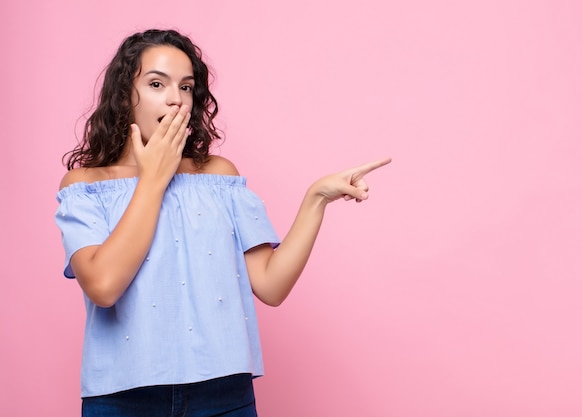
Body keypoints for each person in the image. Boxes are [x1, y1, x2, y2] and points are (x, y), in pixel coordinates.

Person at [55, 28, 390, 417]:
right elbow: (104, 286)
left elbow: (271, 285)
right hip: (122, 399)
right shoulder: (86, 187)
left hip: (223, 397)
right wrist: (153, 179)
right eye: (156, 83)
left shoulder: (219, 177)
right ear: (124, 96)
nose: (174, 98)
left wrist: (316, 198)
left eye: (185, 86)